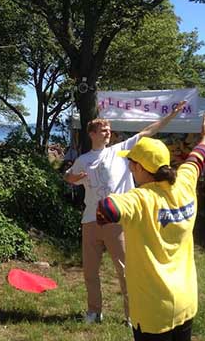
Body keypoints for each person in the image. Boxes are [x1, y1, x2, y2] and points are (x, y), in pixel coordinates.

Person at [97, 113, 205, 340]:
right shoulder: (184, 182)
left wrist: (102, 211)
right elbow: (198, 157)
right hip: (186, 299)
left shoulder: (140, 198)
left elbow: (107, 209)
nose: (131, 169)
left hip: (153, 308)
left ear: (142, 169)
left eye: (132, 165)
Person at [63, 101, 186, 325]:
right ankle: (94, 312)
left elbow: (149, 130)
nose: (108, 132)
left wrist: (173, 114)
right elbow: (68, 176)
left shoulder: (119, 151)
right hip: (90, 220)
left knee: (126, 271)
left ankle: (132, 315)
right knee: (90, 271)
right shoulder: (84, 159)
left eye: (109, 129)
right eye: (103, 130)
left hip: (117, 220)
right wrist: (73, 179)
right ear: (92, 134)